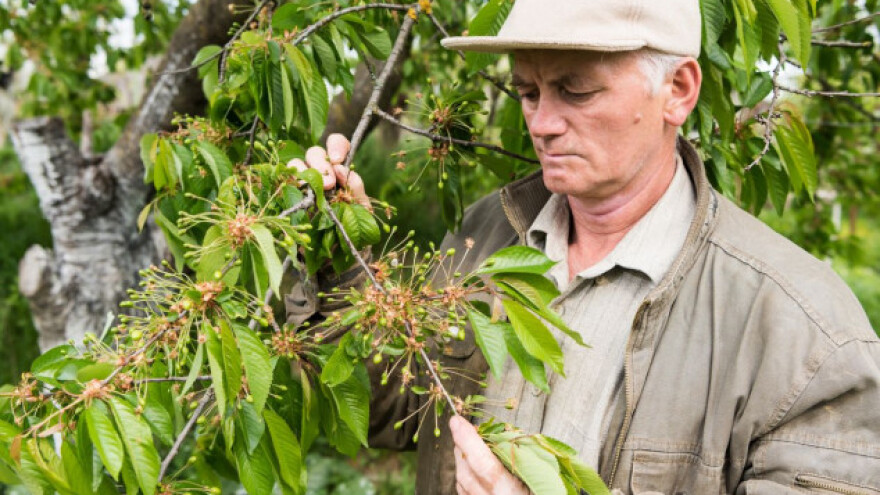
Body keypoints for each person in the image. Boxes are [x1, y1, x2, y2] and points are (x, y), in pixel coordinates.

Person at [287, 0, 880, 493]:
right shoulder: (487, 235)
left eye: (575, 91)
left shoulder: (802, 334)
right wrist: (339, 251)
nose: (542, 123)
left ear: (677, 89)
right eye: (527, 92)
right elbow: (390, 407)